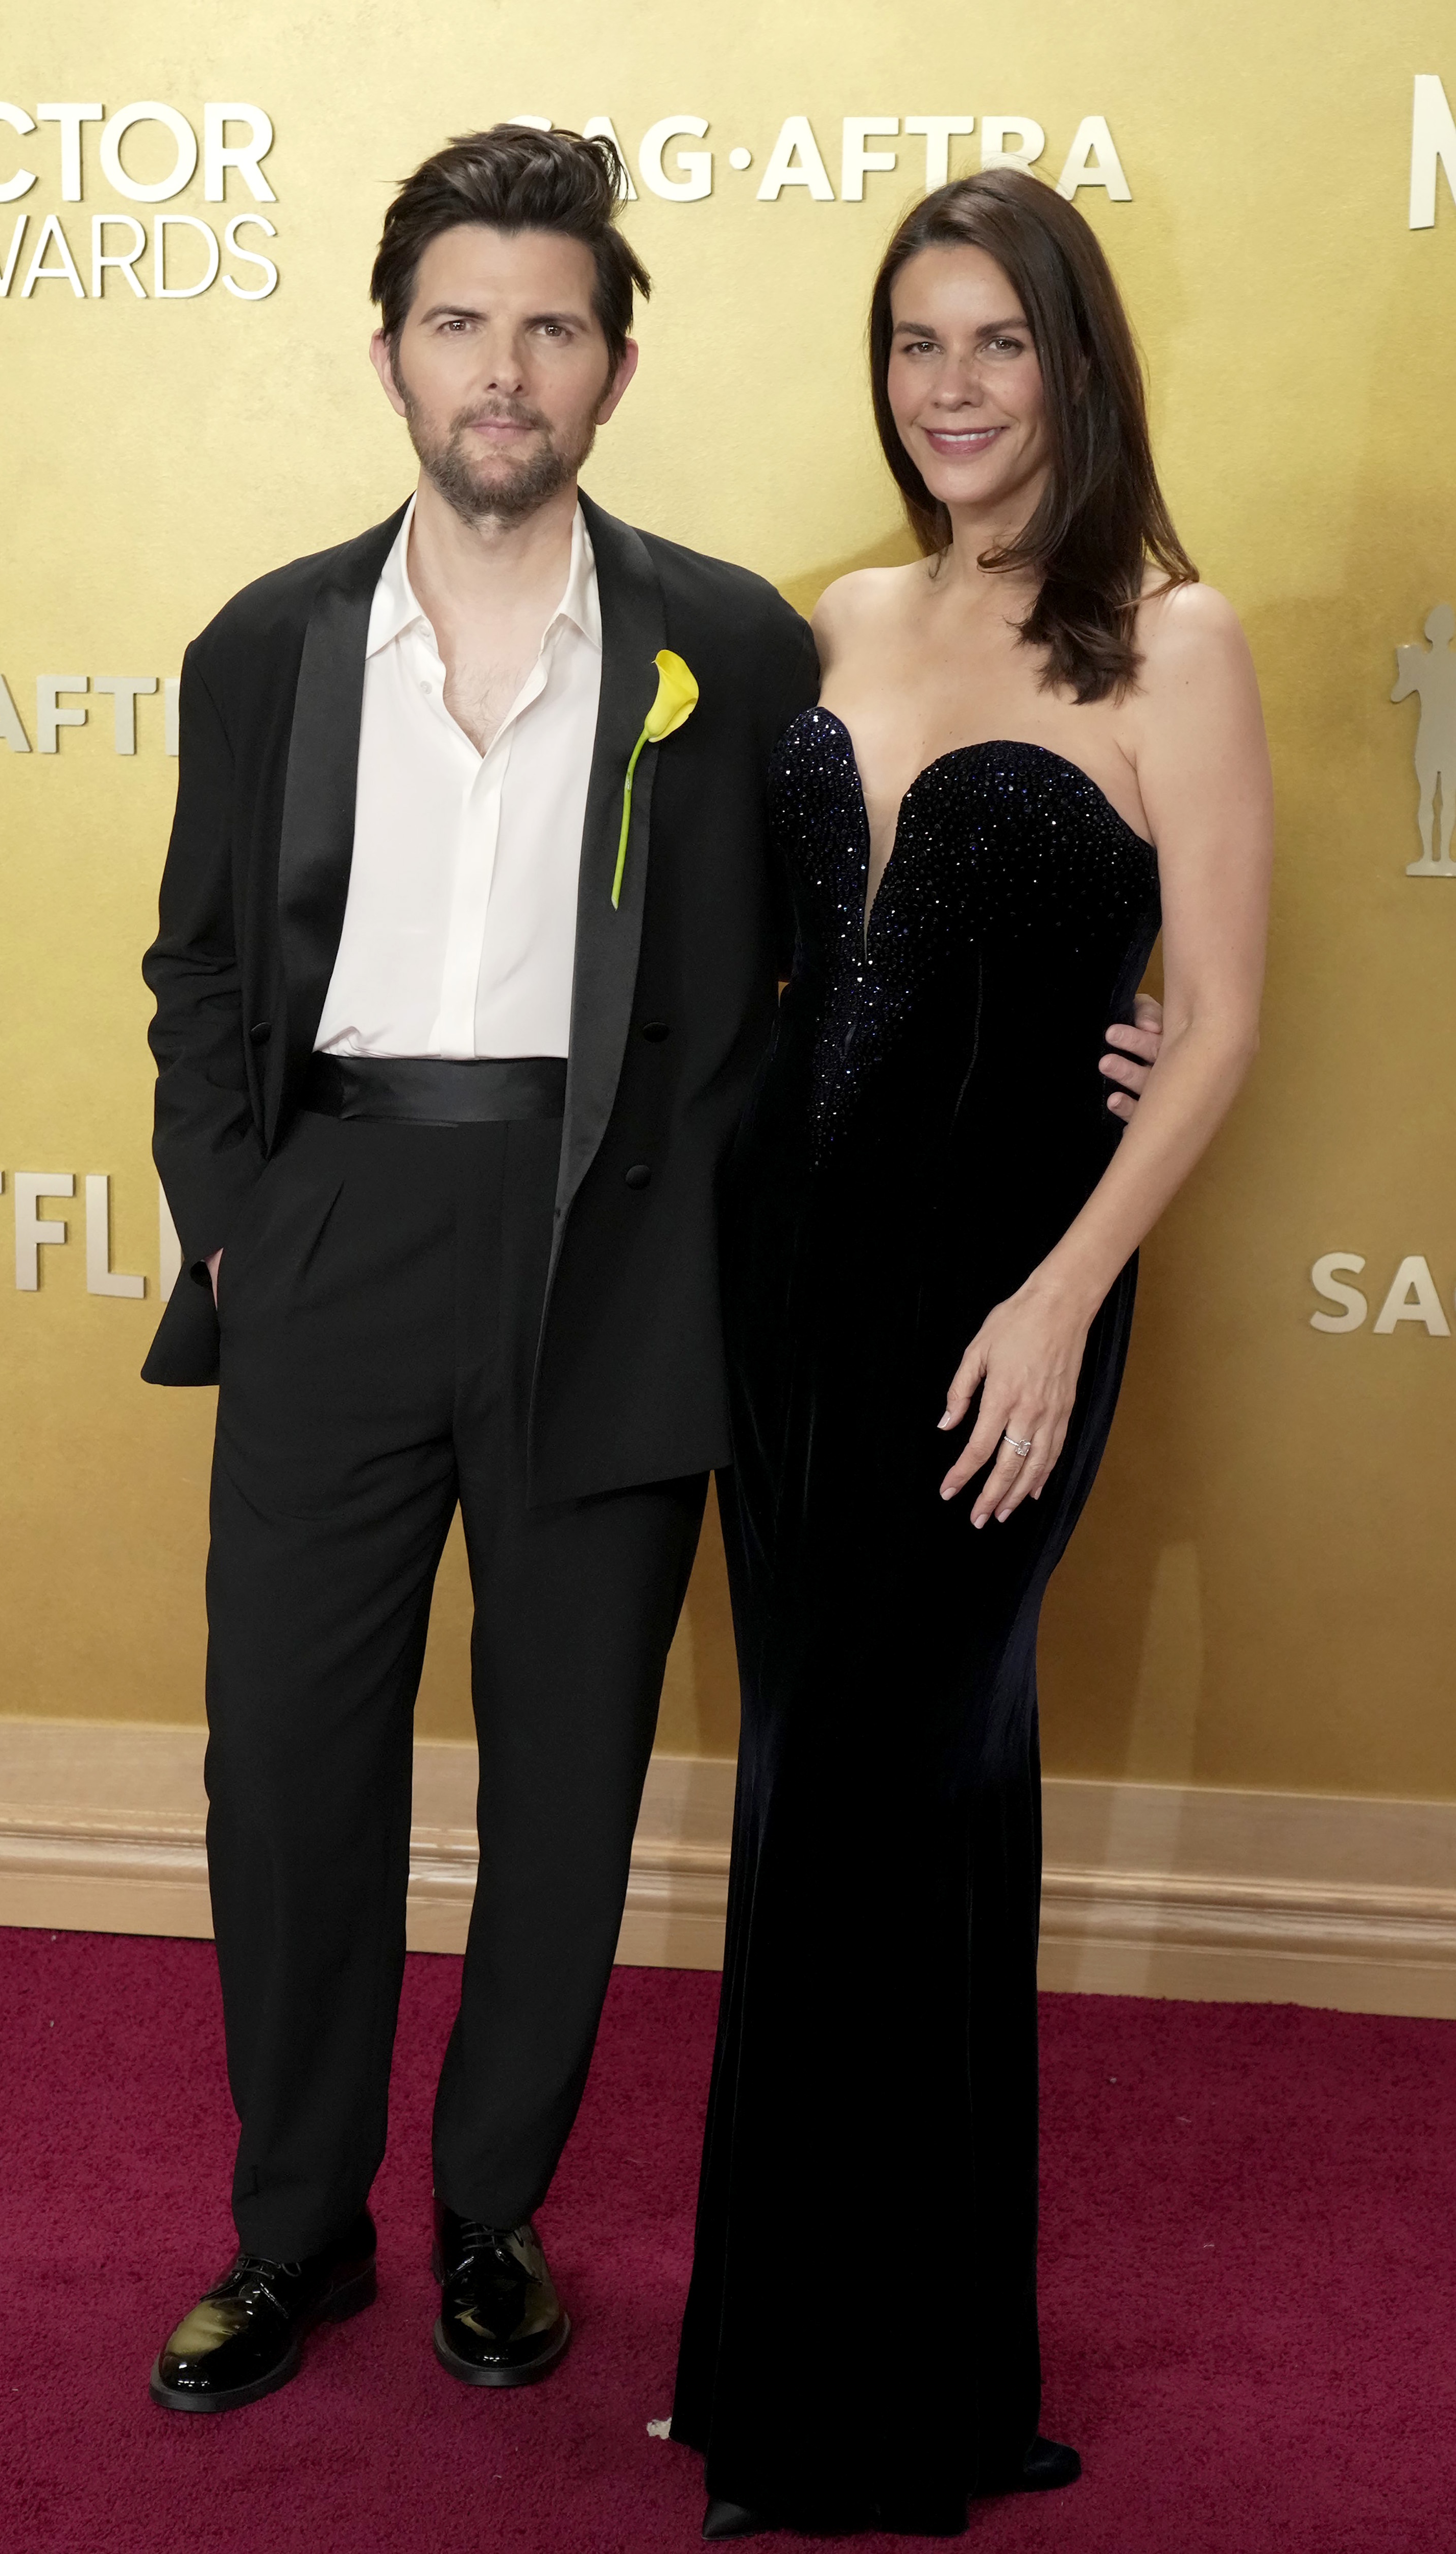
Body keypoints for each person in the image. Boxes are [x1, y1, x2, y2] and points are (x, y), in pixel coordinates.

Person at [140, 127, 1161, 2421]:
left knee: (572, 1770)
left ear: (614, 368)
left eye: (552, 328)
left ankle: (492, 2211)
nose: (503, 369)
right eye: (459, 323)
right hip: (336, 1230)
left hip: (625, 1254)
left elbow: (879, 916)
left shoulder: (737, 642)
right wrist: (234, 1214)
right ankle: (292, 2230)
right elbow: (197, 965)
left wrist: (1111, 998)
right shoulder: (264, 645)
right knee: (285, 1773)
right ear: (392, 352)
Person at [671, 169, 1272, 2539]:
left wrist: (1062, 1289)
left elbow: (1221, 1018)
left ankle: (844, 2412)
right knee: (843, 1796)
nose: (954, 387)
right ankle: (878, 2367)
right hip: (787, 1287)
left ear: (1075, 363)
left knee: (883, 1788)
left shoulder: (1173, 637)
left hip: (1005, 1299)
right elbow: (807, 964)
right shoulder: (847, 613)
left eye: (1000, 342)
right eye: (918, 342)